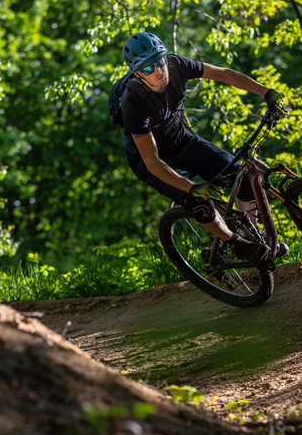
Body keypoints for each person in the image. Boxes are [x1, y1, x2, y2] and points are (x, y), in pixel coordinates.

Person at [119, 31, 288, 263]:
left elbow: (223, 74)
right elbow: (151, 161)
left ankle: (254, 237)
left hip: (182, 142)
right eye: (148, 68)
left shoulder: (177, 66)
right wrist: (191, 187)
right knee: (198, 201)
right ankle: (235, 244)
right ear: (138, 73)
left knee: (243, 178)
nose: (159, 70)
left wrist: (266, 92)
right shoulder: (132, 101)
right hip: (151, 162)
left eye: (160, 61)